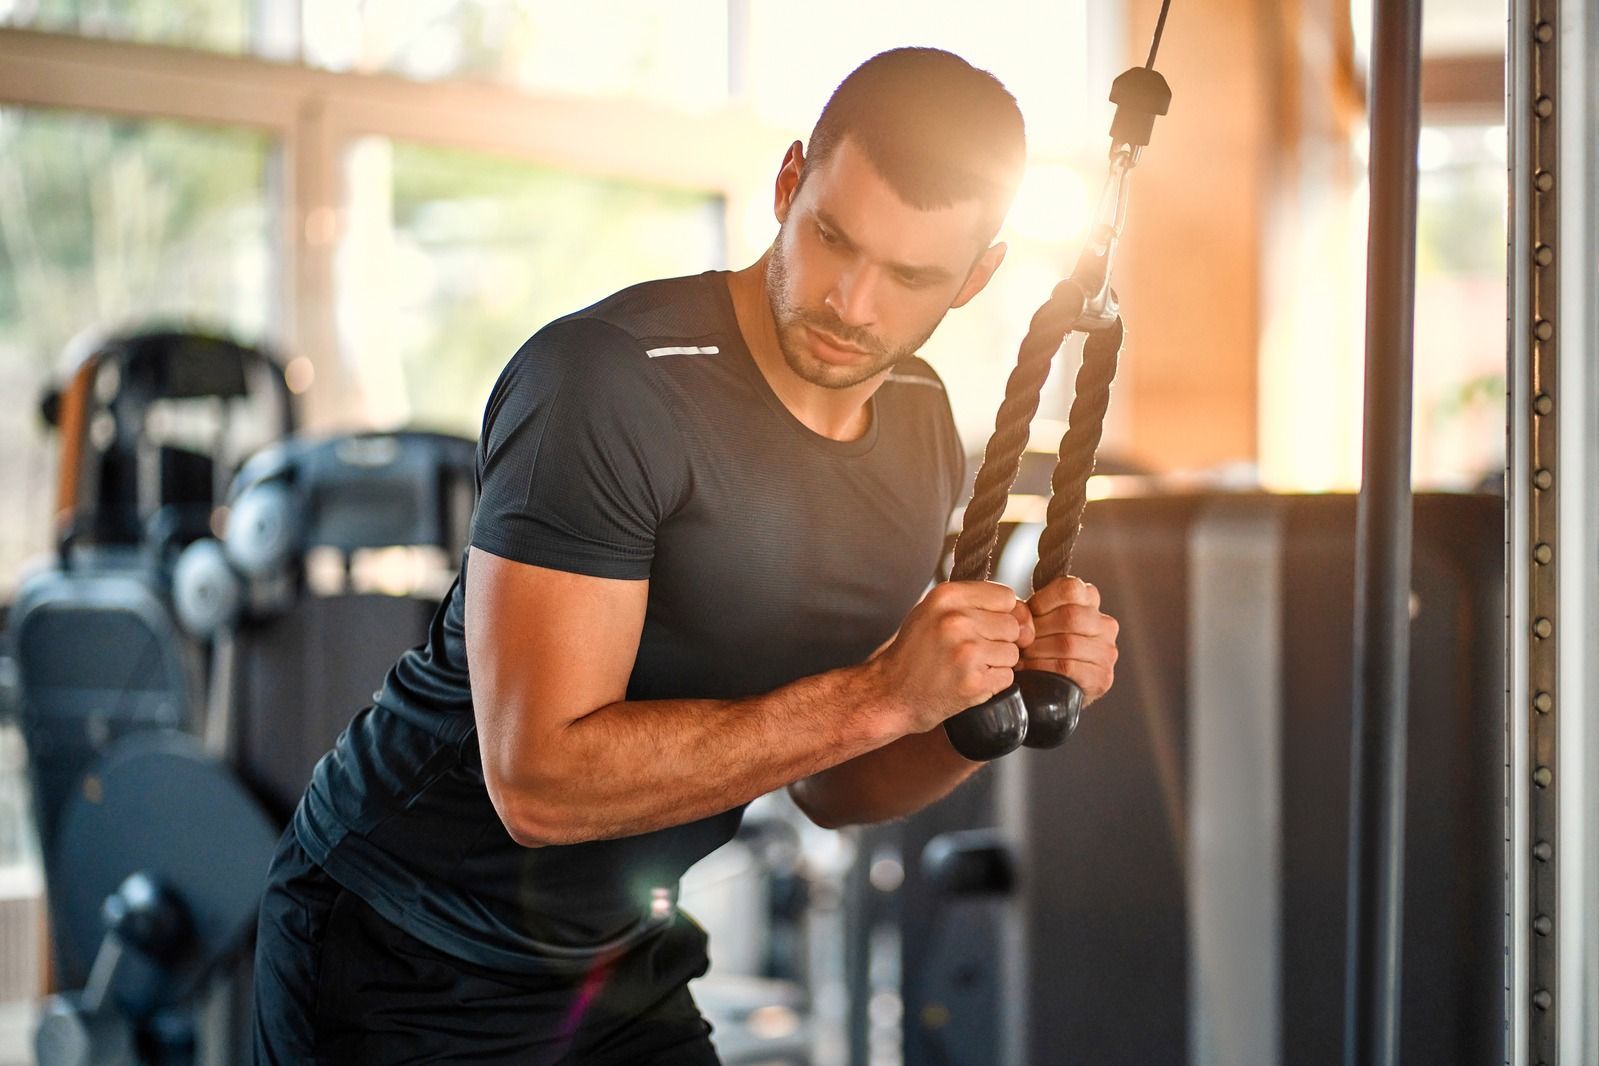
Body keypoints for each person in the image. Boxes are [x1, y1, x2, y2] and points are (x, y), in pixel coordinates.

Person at [253, 46, 1120, 1065]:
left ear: (977, 277)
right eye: (834, 238)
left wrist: (973, 709)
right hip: (401, 940)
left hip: (615, 961)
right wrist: (885, 690)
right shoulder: (608, 384)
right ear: (790, 184)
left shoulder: (922, 427)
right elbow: (538, 785)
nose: (852, 301)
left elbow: (833, 787)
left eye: (911, 275)